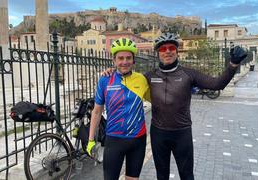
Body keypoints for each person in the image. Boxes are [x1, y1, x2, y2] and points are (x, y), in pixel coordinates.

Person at [102, 33, 247, 180]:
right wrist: (111, 71)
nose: (167, 51)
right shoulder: (149, 76)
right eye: (163, 49)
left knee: (187, 176)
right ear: (158, 53)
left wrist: (233, 65)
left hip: (182, 134)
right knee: (162, 176)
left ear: (177, 51)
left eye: (171, 47)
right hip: (158, 134)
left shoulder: (188, 74)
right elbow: (127, 76)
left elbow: (217, 84)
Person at [87, 37, 150, 180]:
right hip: (114, 140)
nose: (125, 62)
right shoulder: (105, 80)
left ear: (134, 60)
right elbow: (97, 111)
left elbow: (158, 100)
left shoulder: (142, 79)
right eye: (120, 58)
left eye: (128, 58)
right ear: (114, 60)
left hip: (138, 139)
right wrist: (91, 139)